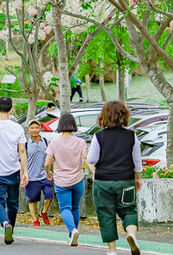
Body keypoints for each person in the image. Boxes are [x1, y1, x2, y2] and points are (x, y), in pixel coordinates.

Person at [87, 101, 142, 255]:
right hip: (126, 180)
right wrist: (138, 178)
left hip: (103, 181)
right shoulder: (131, 136)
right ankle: (131, 234)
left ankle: (112, 251)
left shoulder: (99, 136)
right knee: (129, 211)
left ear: (104, 116)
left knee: (106, 214)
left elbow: (91, 159)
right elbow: (137, 161)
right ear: (124, 116)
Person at [0, 96, 29, 245]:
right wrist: (25, 172)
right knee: (13, 203)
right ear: (11, 109)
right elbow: (22, 150)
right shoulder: (17, 127)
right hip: (14, 170)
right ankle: (11, 228)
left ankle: (5, 223)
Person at [45, 113, 88, 246]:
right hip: (78, 179)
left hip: (61, 181)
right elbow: (86, 159)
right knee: (75, 208)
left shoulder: (54, 142)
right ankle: (72, 236)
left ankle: (72, 230)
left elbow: (47, 163)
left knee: (65, 208)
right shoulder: (80, 142)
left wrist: (48, 173)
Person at [25, 120, 53, 227]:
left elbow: (51, 158)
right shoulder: (26, 144)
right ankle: (35, 219)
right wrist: (23, 175)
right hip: (31, 177)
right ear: (28, 130)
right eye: (32, 128)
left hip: (45, 175)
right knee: (32, 200)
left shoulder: (45, 142)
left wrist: (53, 170)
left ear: (40, 129)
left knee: (49, 196)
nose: (34, 130)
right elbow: (21, 160)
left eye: (36, 127)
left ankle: (44, 212)